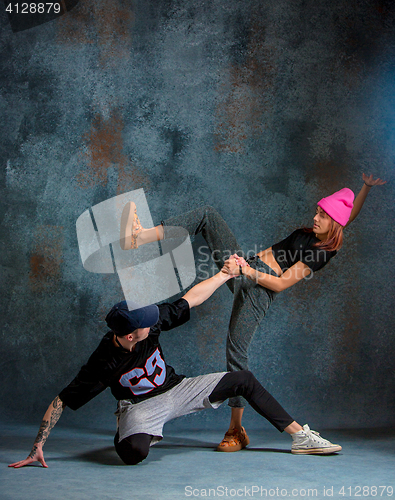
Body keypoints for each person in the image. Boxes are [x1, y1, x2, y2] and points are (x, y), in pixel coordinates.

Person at [118, 173, 386, 452]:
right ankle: (139, 237)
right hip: (247, 266)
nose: (316, 217)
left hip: (259, 285)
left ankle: (236, 430)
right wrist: (365, 188)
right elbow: (347, 215)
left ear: (334, 224)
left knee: (236, 352)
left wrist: (246, 271)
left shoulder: (321, 252)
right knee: (207, 215)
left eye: (323, 215)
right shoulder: (314, 232)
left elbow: (281, 284)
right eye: (318, 211)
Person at [9, 271, 341, 469]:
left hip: (177, 389)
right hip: (140, 406)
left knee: (244, 380)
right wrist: (38, 443)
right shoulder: (103, 363)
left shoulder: (147, 323)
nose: (152, 326)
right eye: (144, 328)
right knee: (133, 455)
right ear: (128, 336)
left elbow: (190, 299)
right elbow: (62, 400)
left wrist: (225, 274)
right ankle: (127, 430)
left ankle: (300, 436)